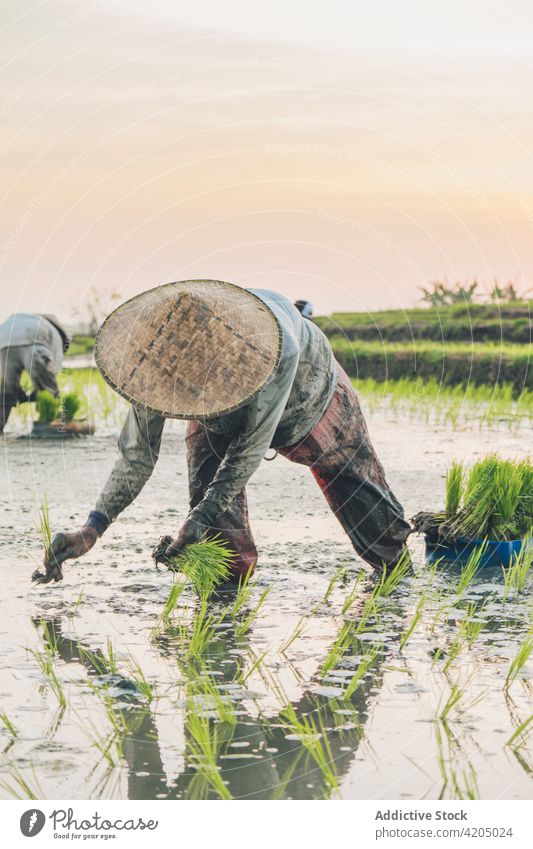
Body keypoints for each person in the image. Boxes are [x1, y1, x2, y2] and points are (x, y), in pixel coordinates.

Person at [37, 280, 410, 584]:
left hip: (310, 393)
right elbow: (137, 455)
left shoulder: (277, 348)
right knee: (214, 525)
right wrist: (93, 528)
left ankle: (396, 572)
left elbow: (250, 446)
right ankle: (225, 589)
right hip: (219, 413)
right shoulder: (156, 364)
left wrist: (201, 513)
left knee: (359, 493)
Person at [0, 313, 69, 433]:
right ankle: (51, 426)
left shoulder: (30, 320)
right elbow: (54, 371)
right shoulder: (56, 334)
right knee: (48, 390)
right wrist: (42, 391)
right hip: (32, 337)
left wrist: (20, 391)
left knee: (7, 392)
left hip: (4, 337)